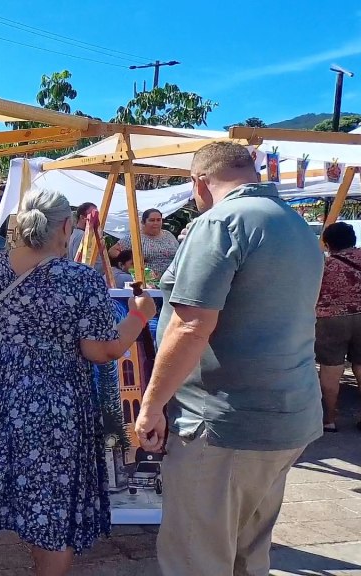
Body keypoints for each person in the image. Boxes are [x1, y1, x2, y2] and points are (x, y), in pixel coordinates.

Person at [0, 189, 156, 576]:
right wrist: (140, 315)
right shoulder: (80, 280)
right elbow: (101, 351)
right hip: (52, 402)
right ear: (66, 227)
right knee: (50, 502)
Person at [134, 142, 324, 576]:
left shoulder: (221, 222)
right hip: (288, 413)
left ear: (199, 182)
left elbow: (190, 327)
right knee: (248, 553)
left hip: (223, 423)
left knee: (196, 558)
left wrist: (151, 405)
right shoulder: (296, 224)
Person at [315, 222, 361, 433]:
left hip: (330, 320)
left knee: (331, 369)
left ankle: (330, 420)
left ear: (327, 244)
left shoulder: (324, 266)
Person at [108, 208, 180, 276]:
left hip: (172, 278)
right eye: (152, 220)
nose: (156, 223)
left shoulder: (168, 235)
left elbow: (179, 253)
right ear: (143, 222)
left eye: (158, 220)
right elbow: (112, 251)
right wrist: (129, 261)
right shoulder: (135, 237)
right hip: (148, 279)